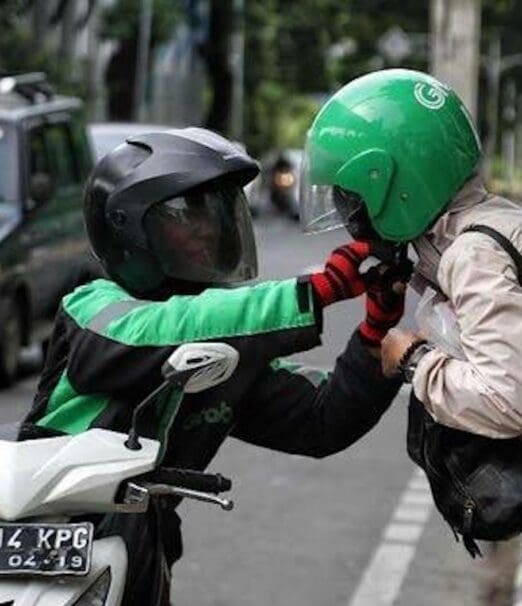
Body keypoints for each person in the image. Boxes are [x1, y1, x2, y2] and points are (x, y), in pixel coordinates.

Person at [24, 127, 407, 605]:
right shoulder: (93, 309)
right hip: (40, 544)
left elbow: (320, 418)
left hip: (141, 549)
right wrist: (315, 291)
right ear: (131, 226)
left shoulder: (224, 348)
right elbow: (149, 332)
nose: (210, 229)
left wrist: (373, 337)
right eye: (189, 214)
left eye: (219, 211)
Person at [299, 68, 522, 606]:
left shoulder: (474, 253)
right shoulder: (487, 231)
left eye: (351, 195)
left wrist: (414, 359)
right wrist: (400, 270)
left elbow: (509, 398)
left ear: (392, 181)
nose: (349, 213)